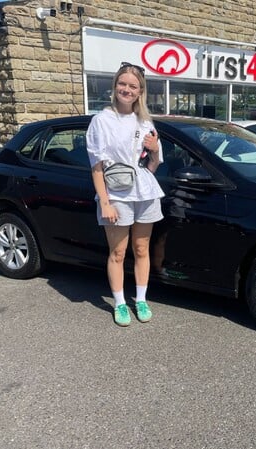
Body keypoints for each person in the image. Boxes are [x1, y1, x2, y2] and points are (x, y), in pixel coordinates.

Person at [86, 62, 164, 327]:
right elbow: (96, 167)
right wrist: (105, 203)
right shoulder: (102, 120)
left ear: (140, 91)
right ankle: (120, 303)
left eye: (133, 86)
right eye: (123, 84)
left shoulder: (146, 122)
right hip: (116, 192)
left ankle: (140, 299)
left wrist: (154, 149)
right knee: (117, 253)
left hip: (145, 191)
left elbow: (152, 167)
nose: (126, 90)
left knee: (142, 249)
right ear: (115, 86)